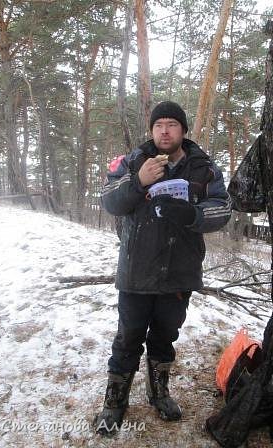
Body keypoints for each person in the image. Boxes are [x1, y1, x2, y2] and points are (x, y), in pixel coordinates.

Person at [93, 101, 232, 435]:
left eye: (172, 124)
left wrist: (193, 215)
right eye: (159, 125)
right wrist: (137, 181)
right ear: (151, 130)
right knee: (128, 338)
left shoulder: (203, 167)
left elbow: (223, 208)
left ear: (183, 130)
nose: (165, 130)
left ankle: (160, 393)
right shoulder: (132, 161)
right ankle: (114, 402)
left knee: (165, 336)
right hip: (136, 270)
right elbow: (109, 200)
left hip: (179, 272)